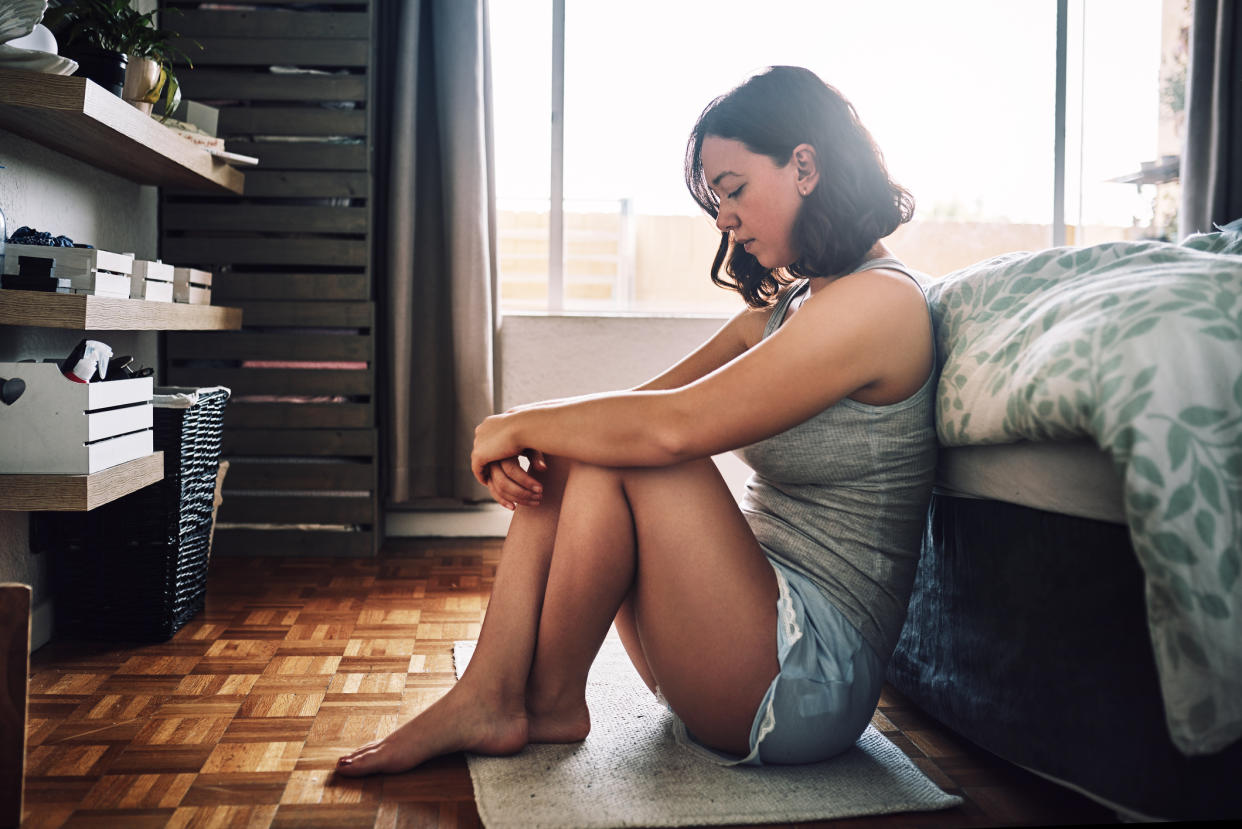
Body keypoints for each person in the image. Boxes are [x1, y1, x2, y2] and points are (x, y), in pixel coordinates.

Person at [336, 65, 935, 774]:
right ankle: (501, 692)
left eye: (734, 189)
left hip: (807, 677)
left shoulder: (882, 306)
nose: (723, 219)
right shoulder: (788, 309)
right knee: (598, 437)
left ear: (804, 165)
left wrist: (515, 425)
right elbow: (636, 407)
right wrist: (532, 436)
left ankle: (526, 695)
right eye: (717, 200)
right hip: (728, 631)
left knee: (646, 445)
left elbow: (668, 426)